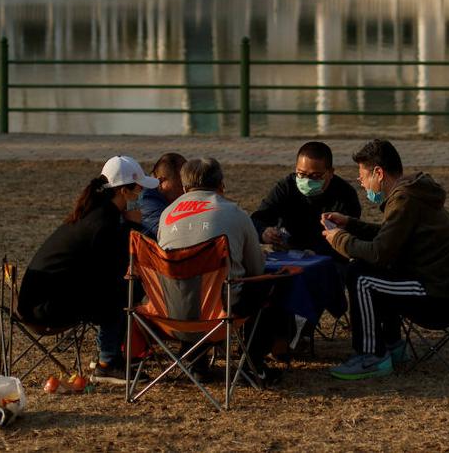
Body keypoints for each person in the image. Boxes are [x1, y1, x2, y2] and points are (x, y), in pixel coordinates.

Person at [321, 139, 449, 380]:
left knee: (360, 276)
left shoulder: (405, 199)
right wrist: (349, 224)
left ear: (378, 173)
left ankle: (372, 356)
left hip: (437, 295)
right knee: (371, 271)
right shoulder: (412, 191)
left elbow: (379, 253)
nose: (361, 183)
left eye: (362, 177)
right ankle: (392, 345)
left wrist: (339, 239)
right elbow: (389, 236)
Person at [17, 155, 159, 383]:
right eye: (138, 188)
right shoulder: (104, 224)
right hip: (45, 310)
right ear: (124, 191)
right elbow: (112, 273)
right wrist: (135, 225)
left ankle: (110, 354)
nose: (140, 194)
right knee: (127, 286)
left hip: (36, 302)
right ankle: (108, 362)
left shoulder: (95, 213)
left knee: (118, 285)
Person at [157, 157, 287, 382]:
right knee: (269, 284)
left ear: (185, 187)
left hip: (170, 312)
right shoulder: (235, 214)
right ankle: (253, 364)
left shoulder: (167, 214)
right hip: (219, 315)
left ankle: (196, 361)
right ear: (221, 185)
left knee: (190, 286)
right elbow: (256, 270)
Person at [251, 141, 361, 256]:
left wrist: (316, 252)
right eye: (301, 174)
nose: (308, 181)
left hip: (328, 256)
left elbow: (349, 236)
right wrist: (264, 232)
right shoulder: (287, 187)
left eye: (316, 176)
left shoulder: (345, 194)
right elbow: (256, 220)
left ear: (330, 172)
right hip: (288, 252)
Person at [138, 152, 187, 241]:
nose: (185, 191)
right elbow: (169, 232)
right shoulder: (146, 198)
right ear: (161, 181)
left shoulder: (160, 196)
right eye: (179, 185)